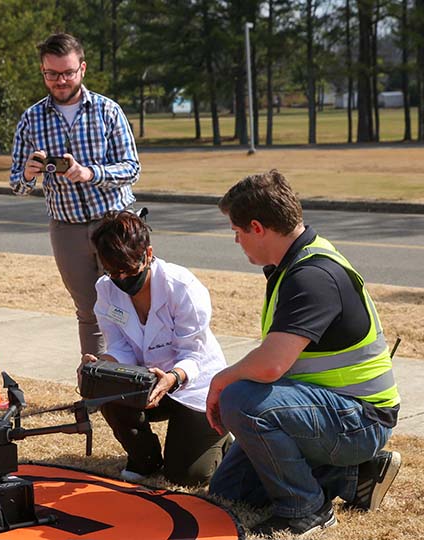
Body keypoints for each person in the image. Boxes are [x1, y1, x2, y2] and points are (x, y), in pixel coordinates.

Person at [206, 170, 401, 537]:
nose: (236, 240)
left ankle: (307, 510)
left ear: (257, 227)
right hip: (334, 409)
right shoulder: (294, 264)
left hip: (361, 418)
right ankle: (353, 473)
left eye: (237, 231)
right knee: (229, 492)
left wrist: (220, 381)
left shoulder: (311, 276)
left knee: (240, 399)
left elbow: (271, 365)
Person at [10, 33, 140, 358]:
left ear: (82, 68)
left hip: (114, 223)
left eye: (67, 72)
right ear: (42, 72)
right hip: (66, 228)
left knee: (130, 302)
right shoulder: (31, 119)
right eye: (51, 74)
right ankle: (96, 383)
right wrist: (27, 174)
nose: (60, 80)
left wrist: (90, 173)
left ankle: (138, 382)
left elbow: (132, 168)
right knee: (89, 311)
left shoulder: (107, 111)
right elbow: (16, 184)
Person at [79, 210, 229, 486]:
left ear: (148, 253)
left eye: (128, 270)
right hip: (147, 383)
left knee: (187, 476)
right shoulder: (106, 289)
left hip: (196, 387)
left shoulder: (182, 287)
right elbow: (120, 346)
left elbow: (193, 353)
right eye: (113, 272)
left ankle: (222, 436)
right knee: (106, 387)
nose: (122, 279)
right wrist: (102, 366)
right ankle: (144, 459)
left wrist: (173, 377)